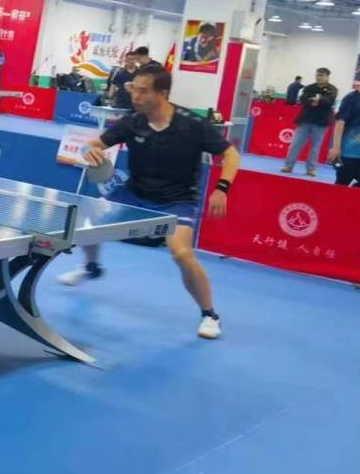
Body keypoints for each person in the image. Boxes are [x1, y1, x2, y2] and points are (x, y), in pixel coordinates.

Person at [61, 62, 240, 340]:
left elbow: (231, 155)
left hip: (177, 200)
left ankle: (209, 314)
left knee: (181, 254)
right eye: (134, 89)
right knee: (88, 218)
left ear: (162, 93)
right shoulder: (132, 122)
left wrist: (222, 189)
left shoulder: (192, 124)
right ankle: (92, 267)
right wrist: (90, 151)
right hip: (135, 193)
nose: (135, 96)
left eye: (143, 91)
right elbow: (95, 143)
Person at [281, 67, 337, 176]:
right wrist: (313, 100)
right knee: (296, 144)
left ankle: (311, 169)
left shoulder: (332, 89)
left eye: (322, 75)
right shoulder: (309, 87)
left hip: (321, 122)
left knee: (315, 147)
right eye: (317, 75)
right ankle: (288, 165)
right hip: (305, 119)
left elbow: (329, 101)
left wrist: (318, 101)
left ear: (327, 77)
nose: (319, 77)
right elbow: (303, 99)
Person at [329, 68, 360, 187]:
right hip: (349, 153)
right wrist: (336, 148)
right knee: (341, 185)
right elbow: (340, 123)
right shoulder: (351, 98)